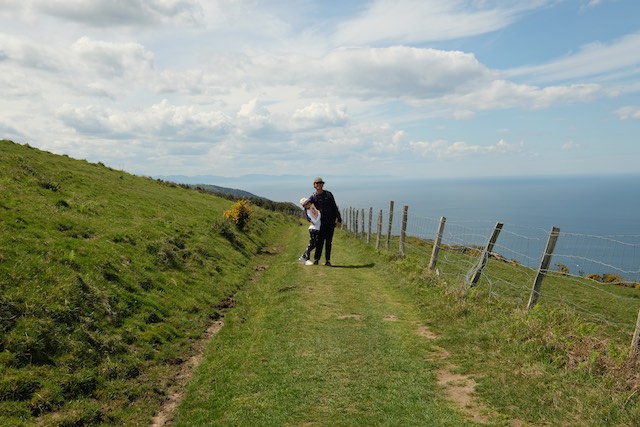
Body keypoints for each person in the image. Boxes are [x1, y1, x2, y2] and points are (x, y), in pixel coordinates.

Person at [306, 177, 342, 266]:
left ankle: (327, 261)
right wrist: (309, 219)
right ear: (314, 185)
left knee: (329, 241)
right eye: (317, 183)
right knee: (319, 241)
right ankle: (316, 259)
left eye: (320, 183)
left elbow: (334, 207)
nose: (319, 185)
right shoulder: (313, 197)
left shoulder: (328, 194)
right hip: (320, 223)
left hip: (330, 222)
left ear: (323, 184)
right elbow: (305, 207)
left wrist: (339, 219)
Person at [299, 198, 321, 265]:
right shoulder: (308, 212)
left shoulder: (312, 209)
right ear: (304, 206)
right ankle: (306, 259)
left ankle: (303, 257)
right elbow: (314, 222)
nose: (308, 204)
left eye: (308, 202)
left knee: (314, 244)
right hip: (313, 229)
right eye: (306, 204)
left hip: (317, 229)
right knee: (311, 244)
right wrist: (320, 215)